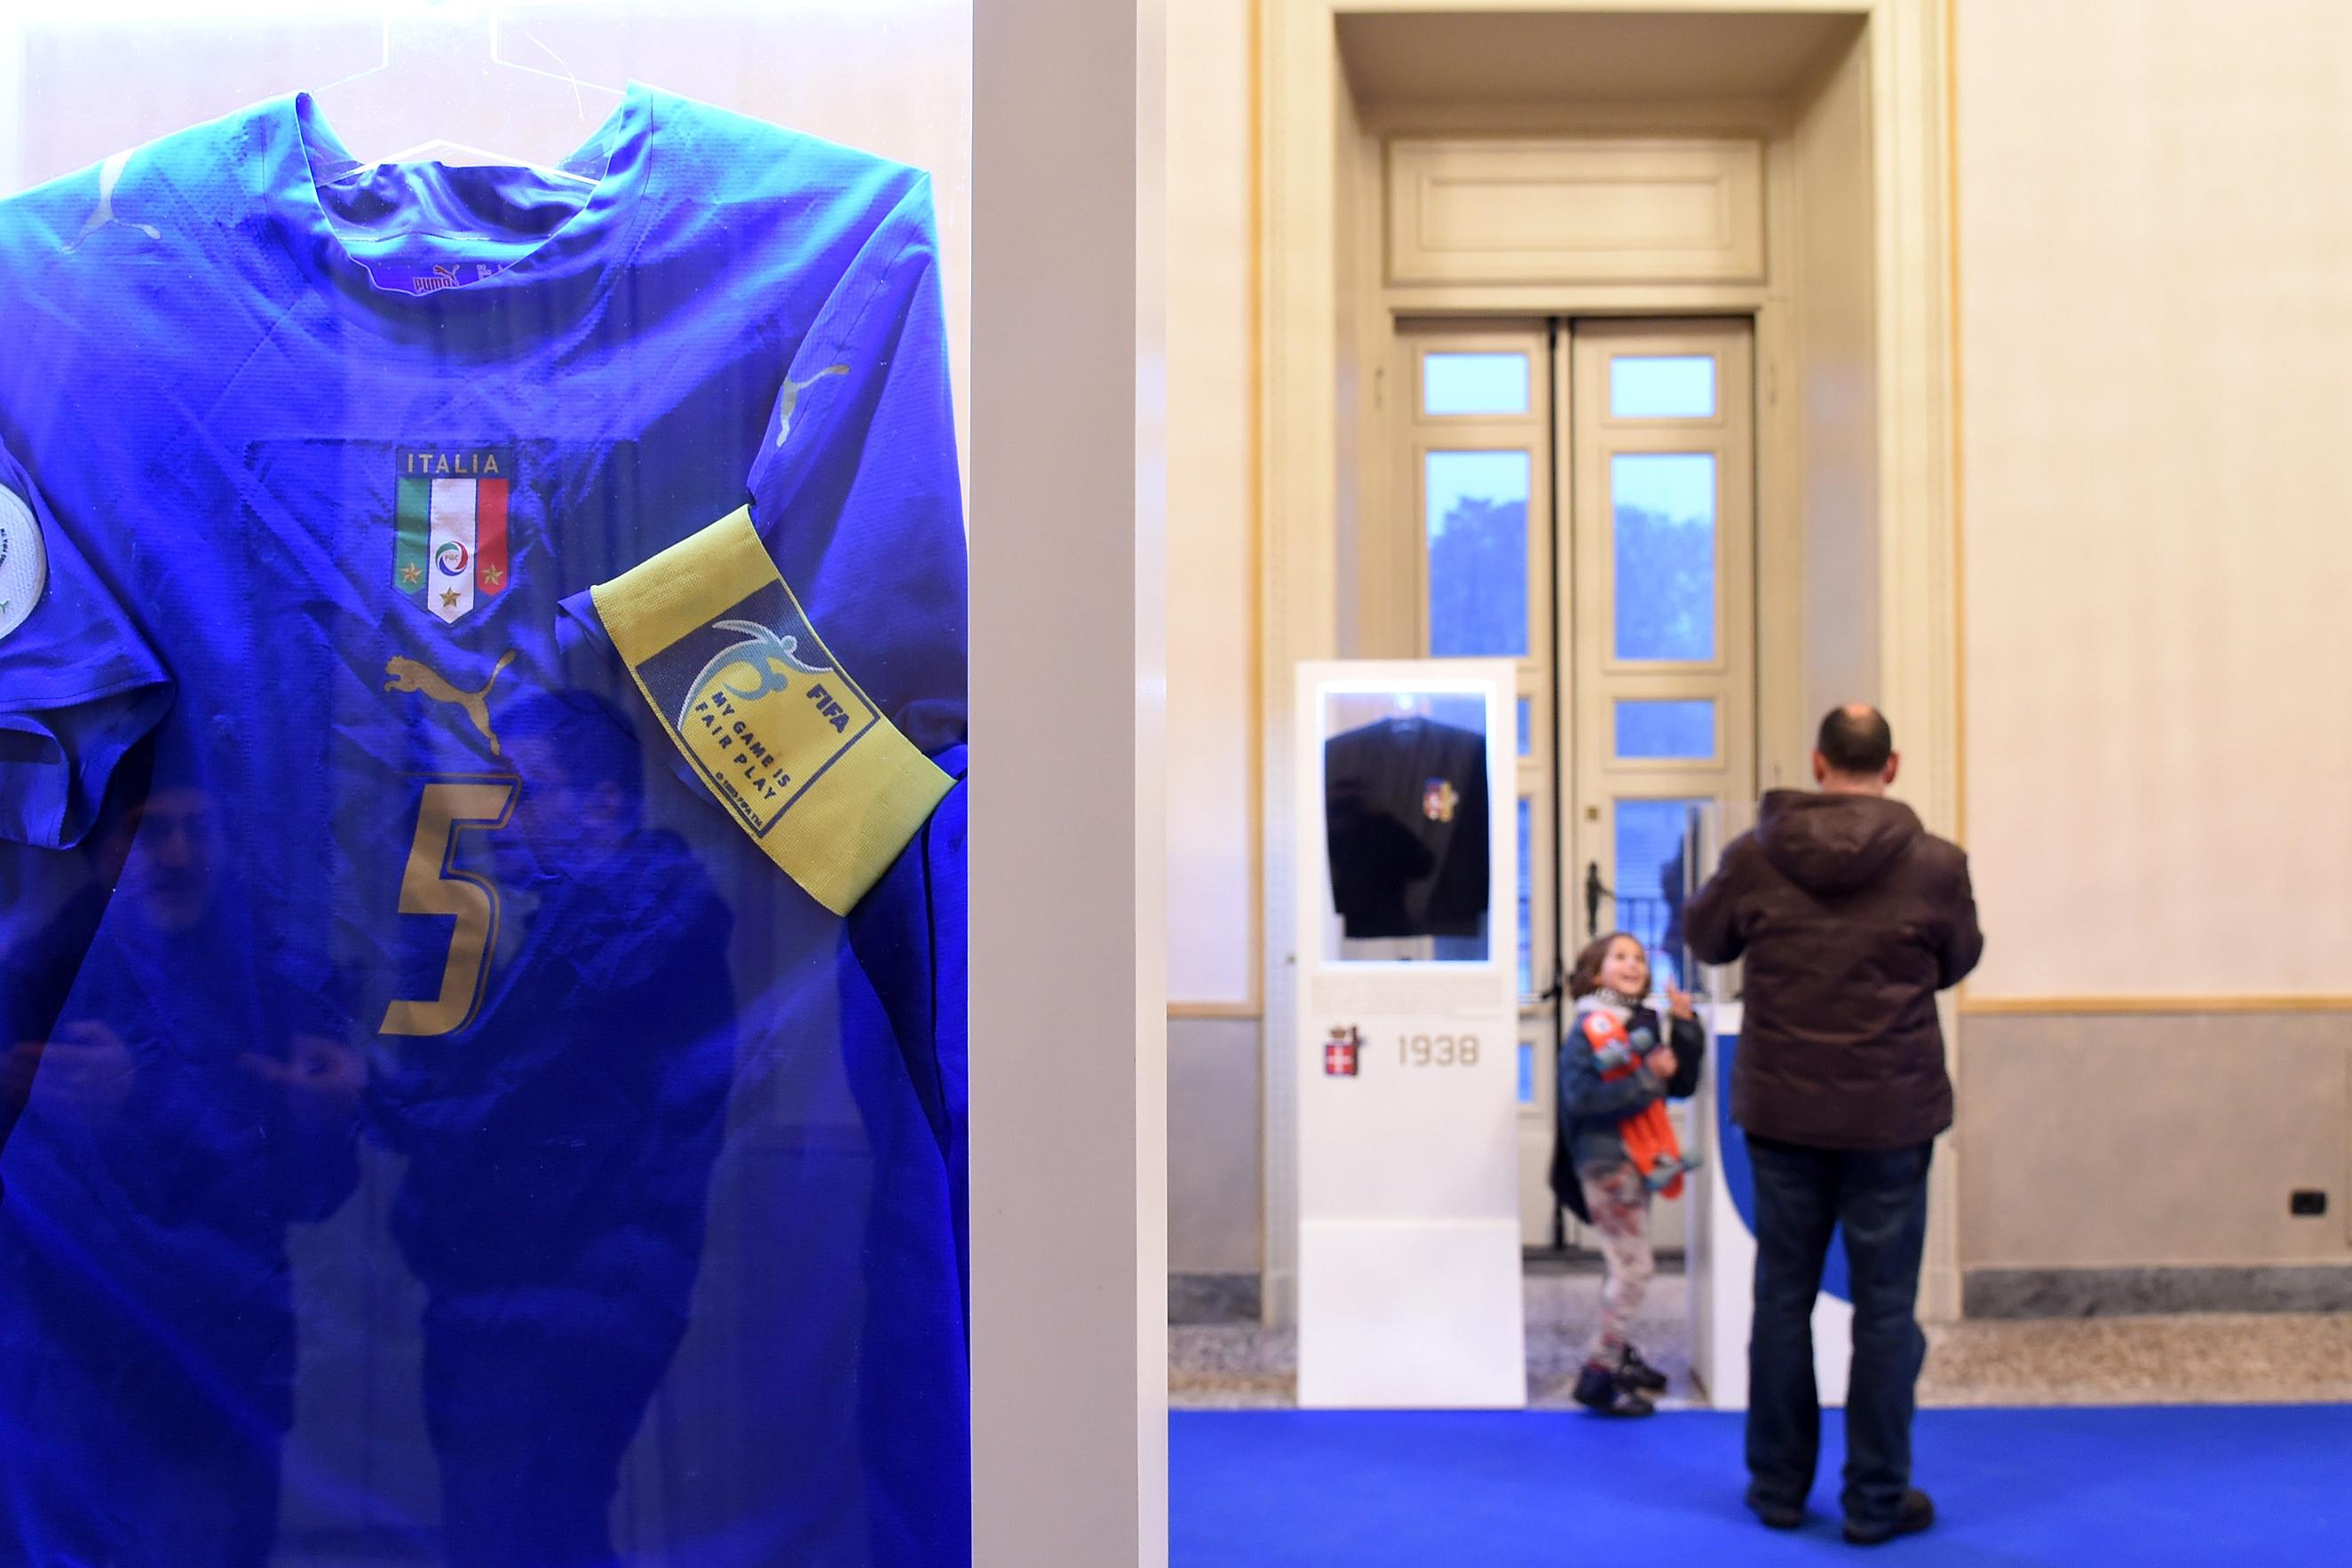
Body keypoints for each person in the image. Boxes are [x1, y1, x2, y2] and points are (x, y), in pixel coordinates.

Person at [1683, 705, 1983, 1545]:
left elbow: (1703, 941)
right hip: (1891, 1113)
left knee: (1781, 1298)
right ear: (1890, 766)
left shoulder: (1752, 855)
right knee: (1885, 1311)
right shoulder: (1934, 864)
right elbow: (1957, 960)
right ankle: (1875, 1501)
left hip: (1783, 1112)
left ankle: (1777, 1490)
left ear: (1818, 763)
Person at [1554, 931, 1705, 1416]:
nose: (1633, 964)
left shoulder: (1638, 1022)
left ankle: (1617, 1355)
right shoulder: (1592, 1027)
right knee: (1635, 1269)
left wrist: (1683, 1028)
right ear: (1596, 972)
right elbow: (1583, 1099)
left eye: (1640, 958)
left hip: (1639, 1157)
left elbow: (1674, 1082)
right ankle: (1598, 1372)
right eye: (1620, 957)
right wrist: (1647, 1079)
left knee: (1624, 1266)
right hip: (1608, 1159)